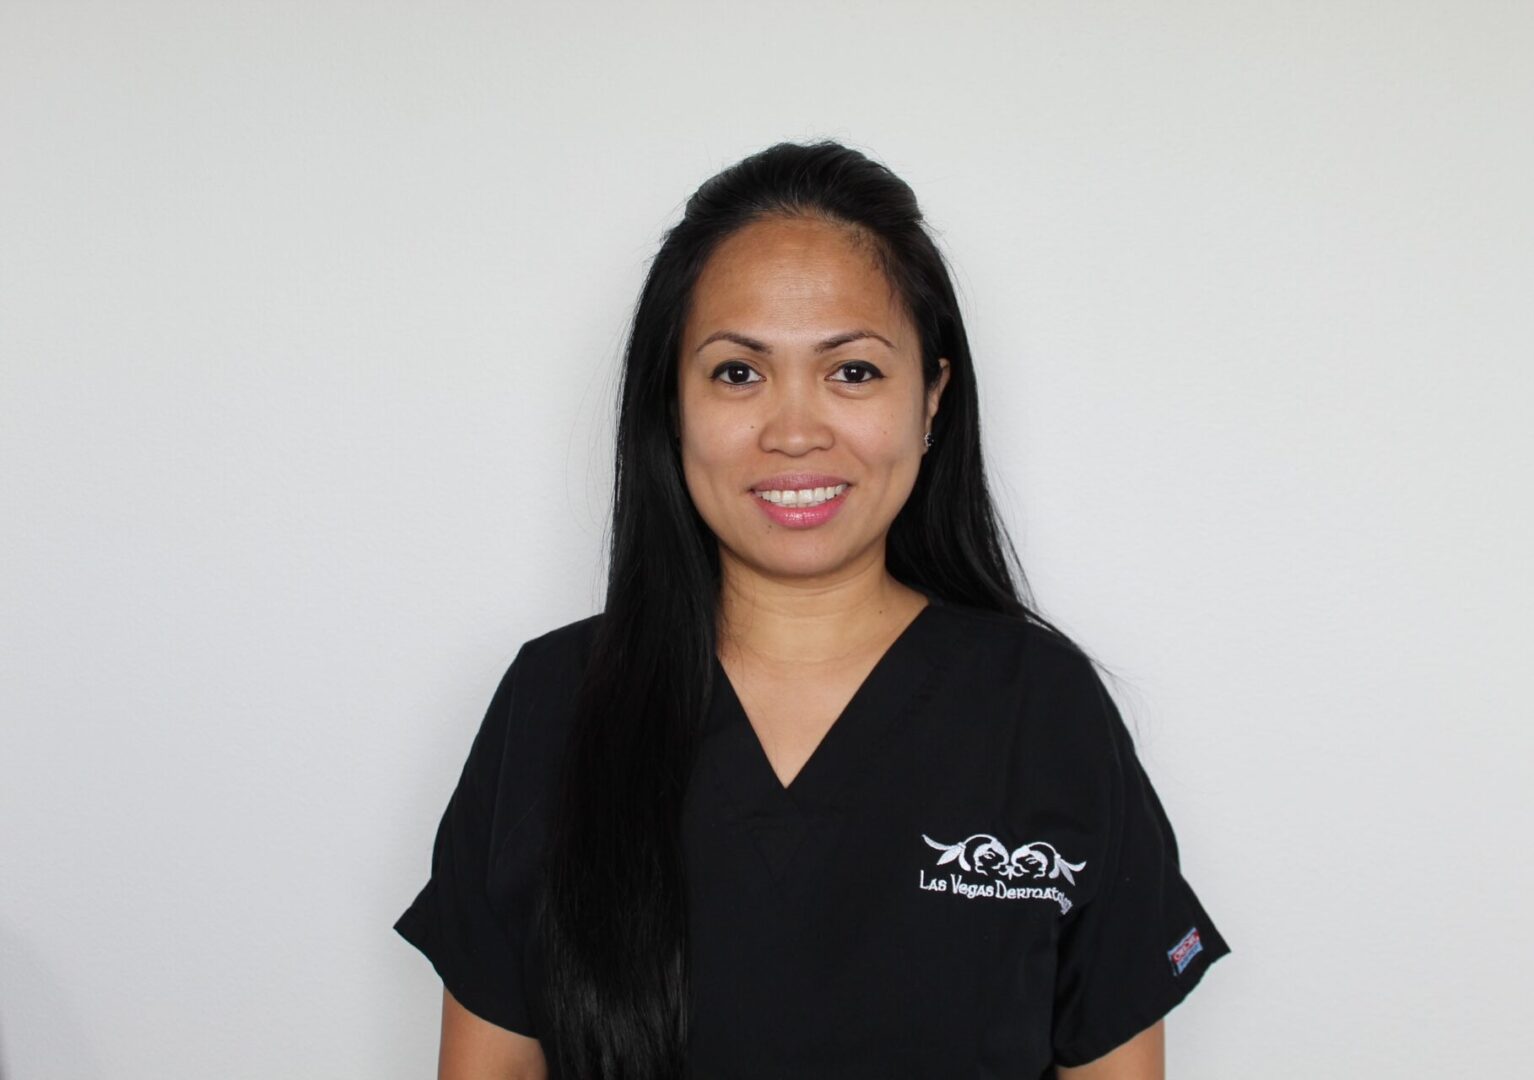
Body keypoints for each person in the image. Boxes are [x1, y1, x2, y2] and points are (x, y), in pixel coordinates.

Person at [394, 139, 1229, 1080]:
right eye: (738, 373)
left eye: (855, 372)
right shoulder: (553, 702)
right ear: (672, 407)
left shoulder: (1043, 709)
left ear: (932, 400)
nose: (794, 430)